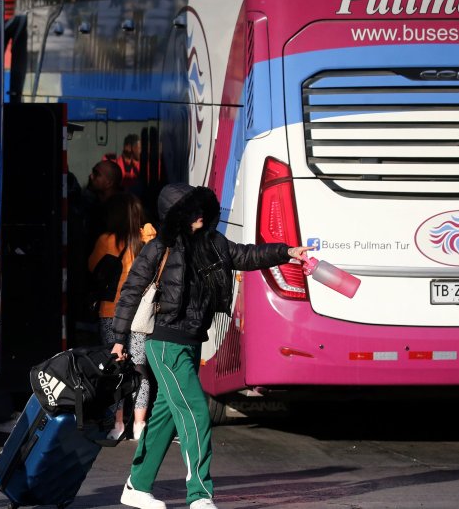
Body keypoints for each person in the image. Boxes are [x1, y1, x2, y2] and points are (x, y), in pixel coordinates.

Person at [110, 184, 314, 509]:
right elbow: (131, 291)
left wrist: (286, 252)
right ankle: (199, 497)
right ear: (176, 216)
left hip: (189, 343)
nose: (200, 215)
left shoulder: (213, 243)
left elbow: (246, 255)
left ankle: (137, 486)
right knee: (196, 412)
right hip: (165, 343)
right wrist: (118, 339)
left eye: (200, 208)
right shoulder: (159, 247)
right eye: (191, 211)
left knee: (165, 415)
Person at [87, 192, 156, 441]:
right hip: (140, 314)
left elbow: (92, 266)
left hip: (111, 313)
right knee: (139, 367)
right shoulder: (147, 239)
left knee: (114, 367)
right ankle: (140, 424)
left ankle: (116, 424)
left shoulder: (107, 240)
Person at [82, 159, 123, 255]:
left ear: (109, 183)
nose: (91, 176)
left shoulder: (118, 212)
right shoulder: (92, 205)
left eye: (97, 174)